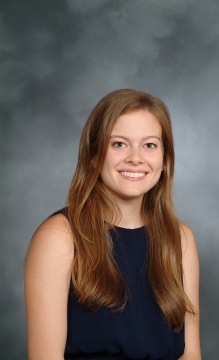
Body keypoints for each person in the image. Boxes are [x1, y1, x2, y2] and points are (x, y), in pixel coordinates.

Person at [24, 89, 201, 360]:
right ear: (94, 155)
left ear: (165, 160)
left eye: (150, 145)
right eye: (119, 144)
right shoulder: (59, 237)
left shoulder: (181, 238)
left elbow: (190, 354)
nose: (135, 158)